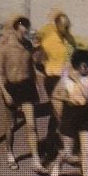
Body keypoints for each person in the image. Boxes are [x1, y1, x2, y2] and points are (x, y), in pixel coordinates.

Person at [0, 16, 46, 173]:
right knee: (11, 125)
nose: (25, 34)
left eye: (26, 31)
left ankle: (36, 160)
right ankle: (10, 153)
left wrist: (37, 87)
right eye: (22, 31)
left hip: (27, 87)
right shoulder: (3, 48)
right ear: (15, 30)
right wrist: (4, 92)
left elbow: (32, 67)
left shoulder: (28, 46)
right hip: (11, 88)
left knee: (32, 125)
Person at [49, 49, 88, 176]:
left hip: (84, 115)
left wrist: (77, 81)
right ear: (80, 65)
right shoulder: (66, 75)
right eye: (86, 65)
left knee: (87, 151)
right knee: (68, 152)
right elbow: (55, 95)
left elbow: (83, 99)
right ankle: (57, 165)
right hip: (69, 114)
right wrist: (64, 102)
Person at [34, 11, 77, 160]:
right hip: (52, 80)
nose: (67, 30)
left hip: (65, 80)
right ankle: (62, 147)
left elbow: (73, 62)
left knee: (58, 113)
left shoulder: (70, 41)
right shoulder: (49, 36)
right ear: (58, 26)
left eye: (68, 27)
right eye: (64, 27)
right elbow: (37, 49)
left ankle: (51, 143)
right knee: (59, 114)